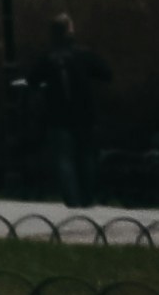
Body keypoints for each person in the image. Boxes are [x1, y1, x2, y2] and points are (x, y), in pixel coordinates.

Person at [31, 14, 111, 208]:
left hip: (58, 115)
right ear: (69, 31)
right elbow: (106, 73)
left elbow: (33, 80)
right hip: (84, 113)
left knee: (64, 158)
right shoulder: (83, 55)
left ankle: (73, 200)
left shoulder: (48, 58)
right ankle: (87, 197)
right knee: (86, 155)